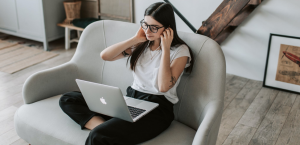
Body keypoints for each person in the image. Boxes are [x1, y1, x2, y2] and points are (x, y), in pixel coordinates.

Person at [59, 2, 194, 145]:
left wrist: (165, 49)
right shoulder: (143, 44)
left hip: (158, 110)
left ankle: (106, 130)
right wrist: (135, 39)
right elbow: (105, 56)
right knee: (68, 99)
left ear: (168, 29)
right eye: (145, 24)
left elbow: (163, 87)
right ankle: (104, 128)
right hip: (131, 99)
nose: (148, 31)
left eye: (154, 28)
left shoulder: (180, 51)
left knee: (98, 136)